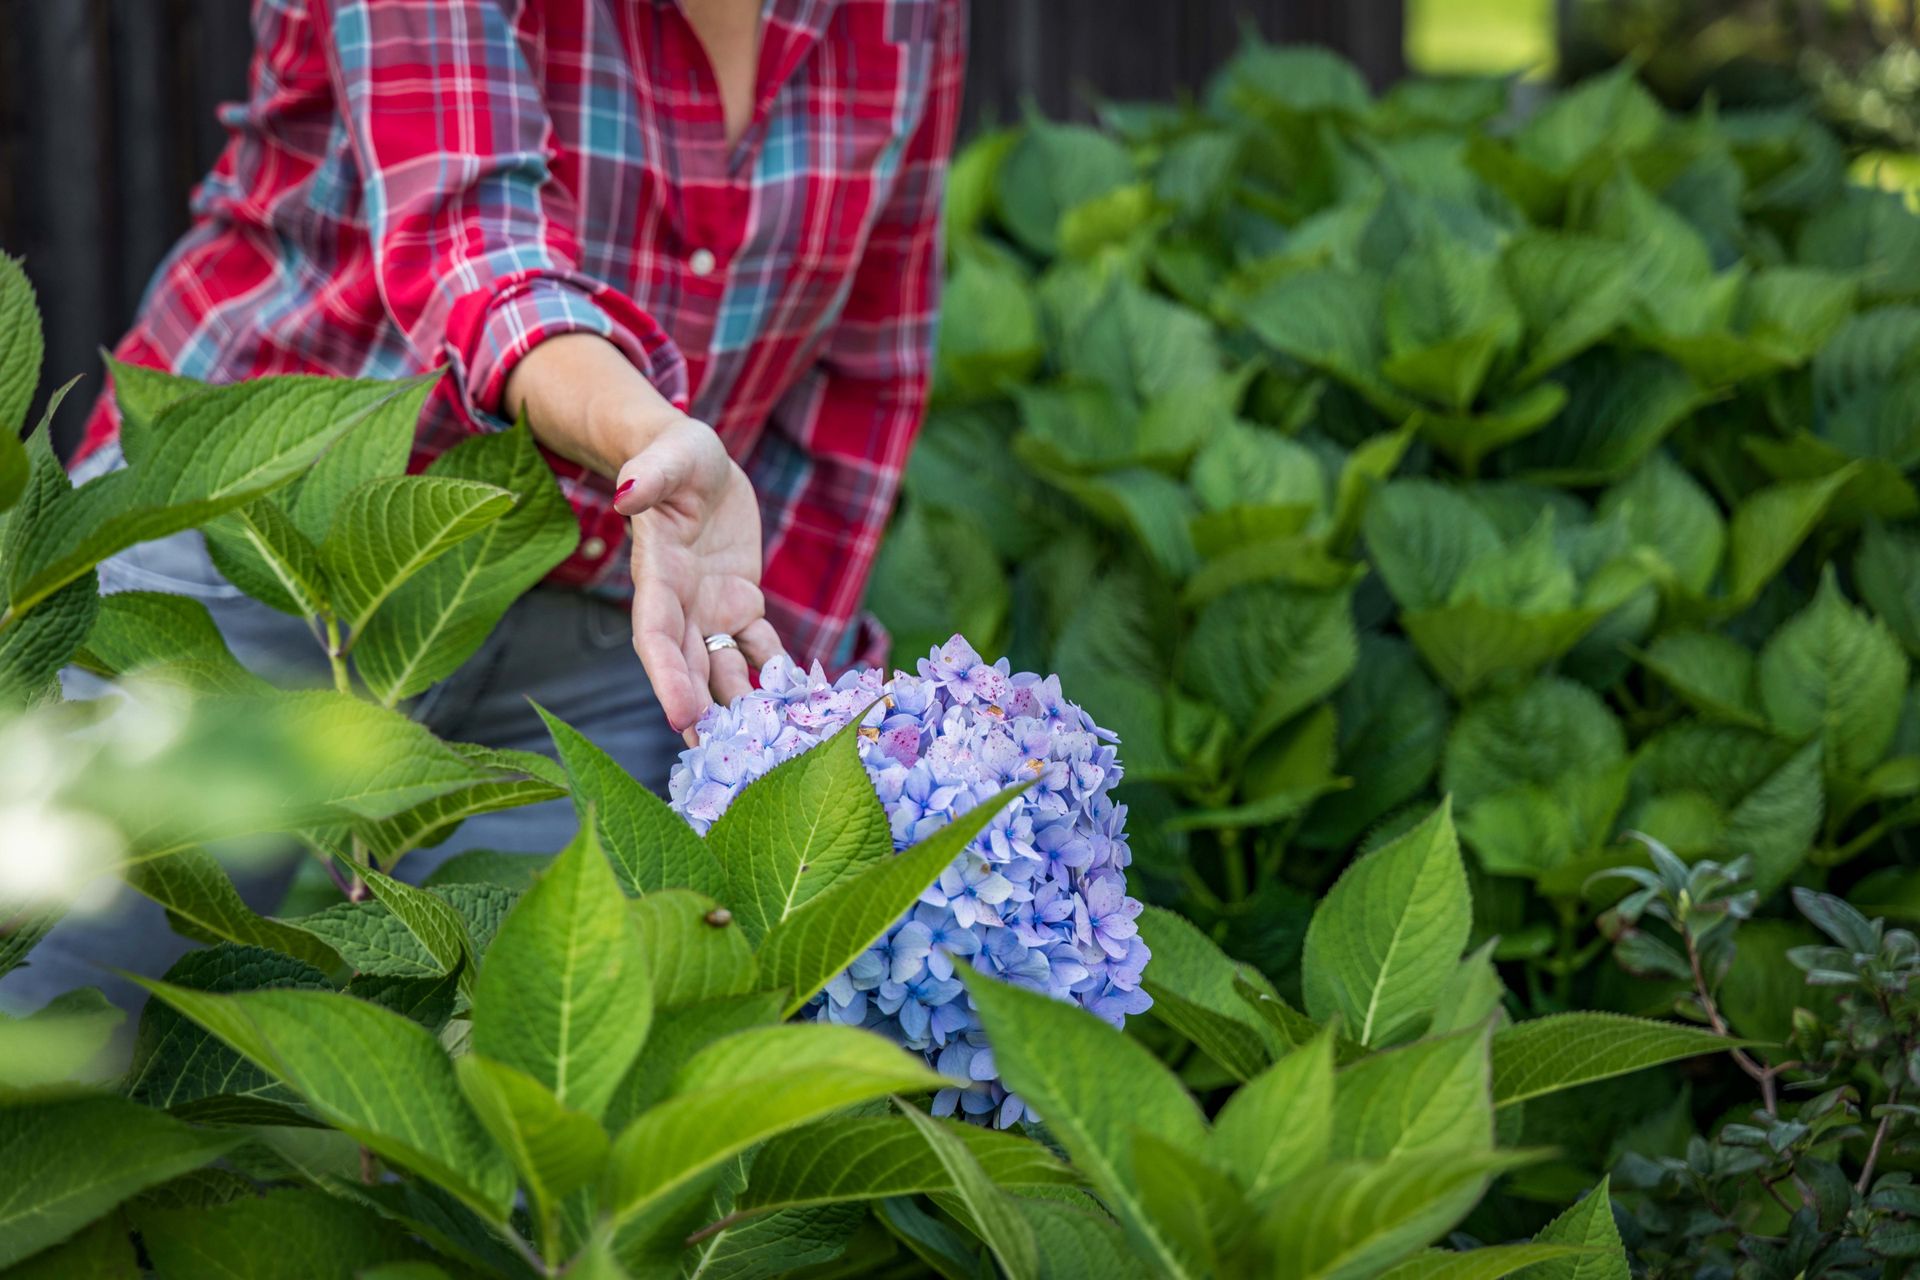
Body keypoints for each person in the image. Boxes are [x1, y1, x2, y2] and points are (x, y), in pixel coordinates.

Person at [5, 0, 965, 1009]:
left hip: (603, 636)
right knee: (58, 1040)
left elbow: (861, 372)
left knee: (520, 1106)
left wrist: (780, 733)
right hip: (257, 554)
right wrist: (645, 435)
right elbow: (469, 240)